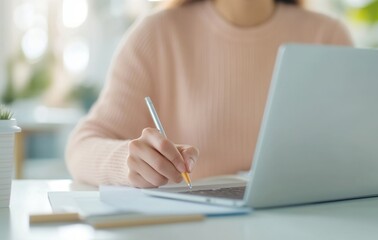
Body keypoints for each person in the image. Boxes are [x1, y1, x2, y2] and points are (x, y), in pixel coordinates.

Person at [66, 0, 353, 188]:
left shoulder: (328, 35)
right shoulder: (156, 35)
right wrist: (128, 161)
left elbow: (361, 152)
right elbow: (81, 146)